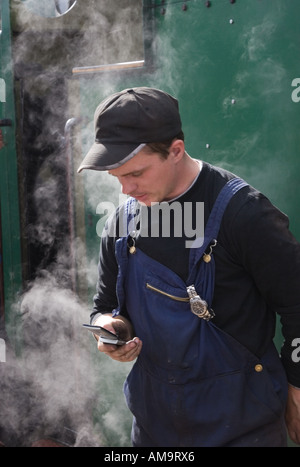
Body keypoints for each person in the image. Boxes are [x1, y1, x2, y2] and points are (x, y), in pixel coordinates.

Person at [78, 87, 300, 447]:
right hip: (154, 432)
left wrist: (297, 386)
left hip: (244, 428)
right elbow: (104, 305)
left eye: (136, 173)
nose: (126, 189)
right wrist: (111, 328)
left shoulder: (244, 213)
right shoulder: (121, 223)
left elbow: (297, 305)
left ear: (176, 151)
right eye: (116, 177)